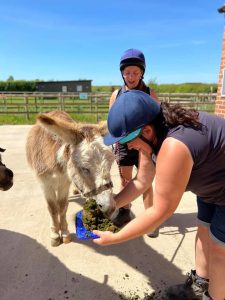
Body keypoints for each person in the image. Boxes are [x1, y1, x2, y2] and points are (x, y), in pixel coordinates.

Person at [93, 90, 225, 300]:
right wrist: (113, 205)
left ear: (146, 130)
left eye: (128, 139)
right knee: (204, 231)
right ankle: (200, 286)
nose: (127, 146)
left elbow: (160, 211)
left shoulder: (174, 146)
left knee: (220, 252)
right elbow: (141, 181)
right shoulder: (154, 137)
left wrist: (116, 238)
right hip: (212, 184)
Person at [109, 48, 159, 237]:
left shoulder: (150, 93)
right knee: (125, 179)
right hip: (124, 143)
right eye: (127, 72)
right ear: (122, 73)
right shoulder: (116, 94)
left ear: (142, 73)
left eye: (135, 73)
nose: (131, 76)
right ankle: (124, 211)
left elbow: (158, 120)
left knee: (146, 181)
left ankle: (150, 218)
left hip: (144, 143)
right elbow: (112, 120)